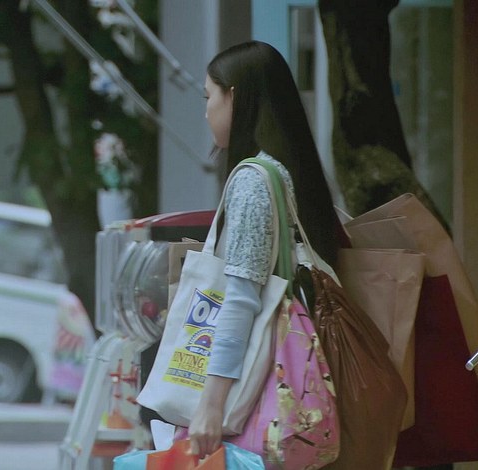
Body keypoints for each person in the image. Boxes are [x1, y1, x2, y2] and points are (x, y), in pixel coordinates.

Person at [187, 41, 339, 458]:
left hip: (256, 405)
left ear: (234, 96)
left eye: (209, 97)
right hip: (301, 400)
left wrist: (210, 406)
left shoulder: (256, 181)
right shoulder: (298, 174)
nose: (206, 111)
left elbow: (240, 300)